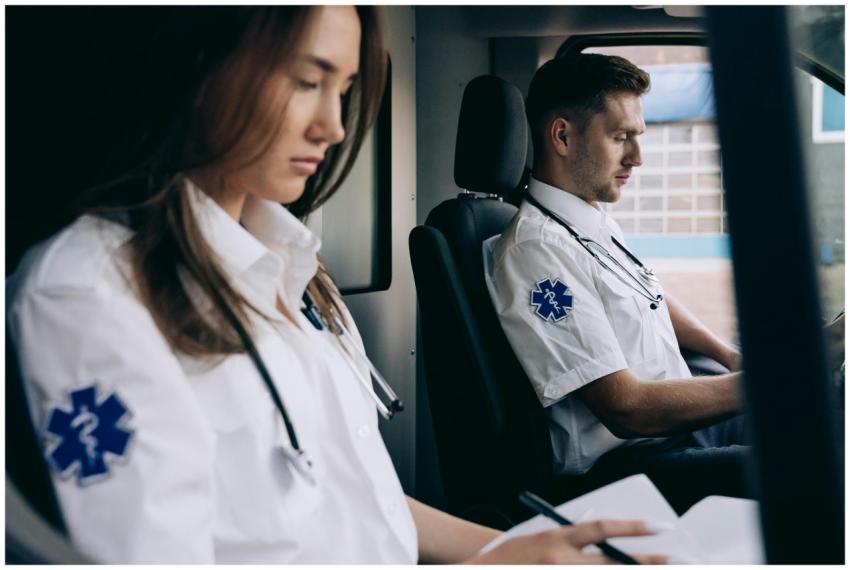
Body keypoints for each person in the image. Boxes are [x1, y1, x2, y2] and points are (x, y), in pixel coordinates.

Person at [6, 7, 668, 564]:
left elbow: (350, 495)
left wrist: (512, 550)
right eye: (305, 82)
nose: (335, 127)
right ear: (200, 68)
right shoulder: (92, 297)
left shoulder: (293, 268)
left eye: (344, 89)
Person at [483, 52, 845, 513]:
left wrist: (727, 354)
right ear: (562, 136)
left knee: (831, 424)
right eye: (621, 138)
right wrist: (780, 380)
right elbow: (627, 408)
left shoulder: (587, 220)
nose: (638, 158)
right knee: (827, 464)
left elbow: (647, 295)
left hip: (675, 433)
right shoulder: (537, 250)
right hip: (630, 466)